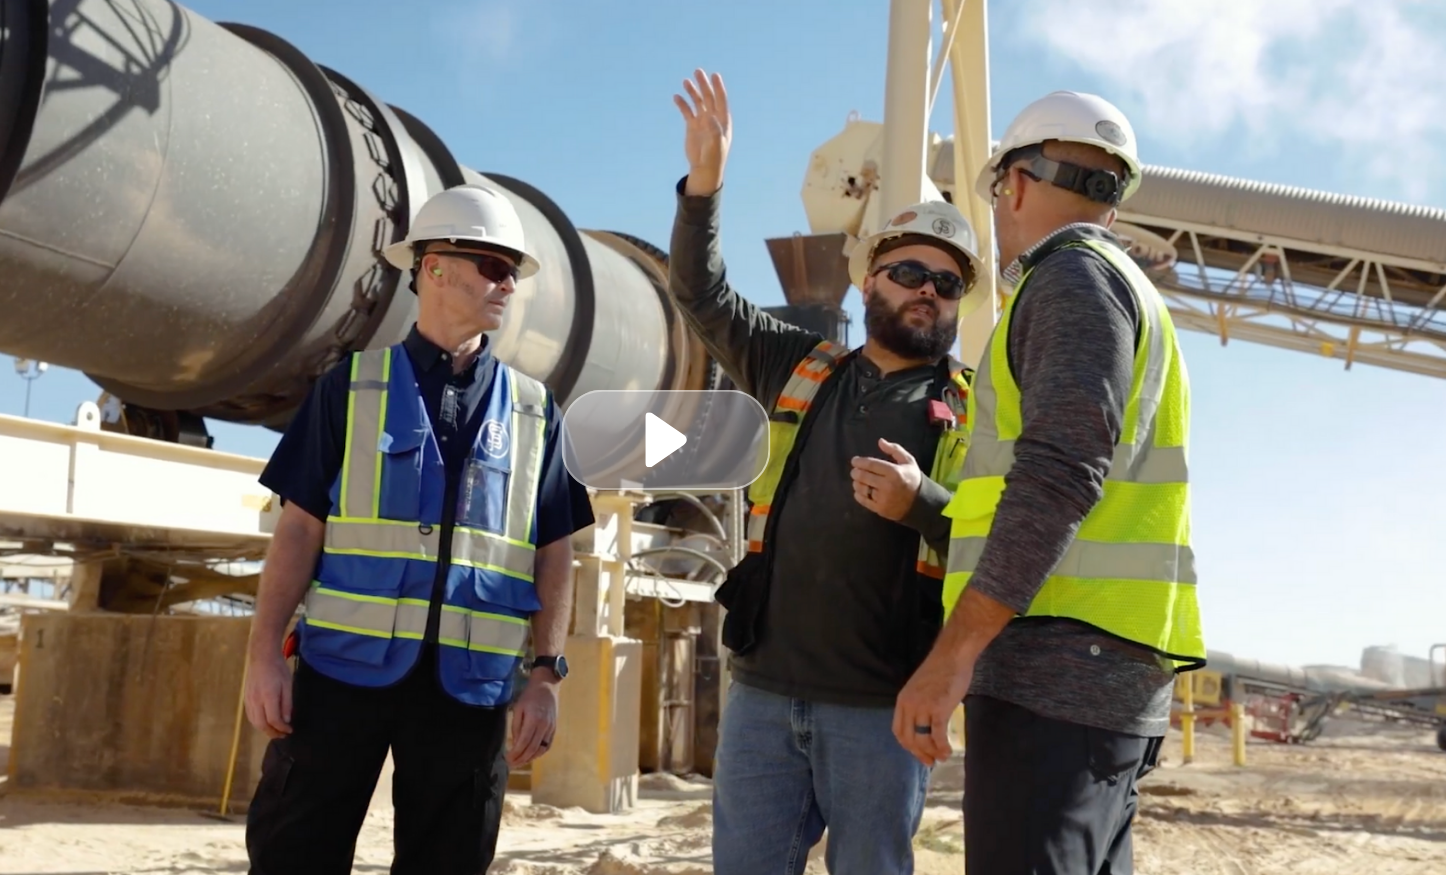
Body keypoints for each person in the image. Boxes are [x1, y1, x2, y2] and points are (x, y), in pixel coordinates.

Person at [669, 69, 982, 875]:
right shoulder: (800, 367)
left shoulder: (974, 411)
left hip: (880, 711)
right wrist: (705, 187)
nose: (928, 293)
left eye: (947, 285)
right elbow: (700, 294)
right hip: (764, 696)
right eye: (910, 273)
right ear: (868, 280)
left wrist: (924, 503)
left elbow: (1003, 539)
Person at [892, 90, 1206, 874]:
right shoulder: (1132, 294)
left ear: (1019, 184)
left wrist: (953, 651)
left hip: (1054, 680)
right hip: (1103, 680)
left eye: (996, 194)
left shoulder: (1070, 281)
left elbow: (1060, 469)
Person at [240, 183, 595, 875]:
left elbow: (556, 552)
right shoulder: (350, 387)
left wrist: (546, 674)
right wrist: (262, 654)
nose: (508, 285)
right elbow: (298, 532)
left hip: (470, 689)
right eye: (493, 266)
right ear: (433, 267)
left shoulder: (535, 411)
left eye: (513, 273)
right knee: (293, 854)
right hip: (341, 676)